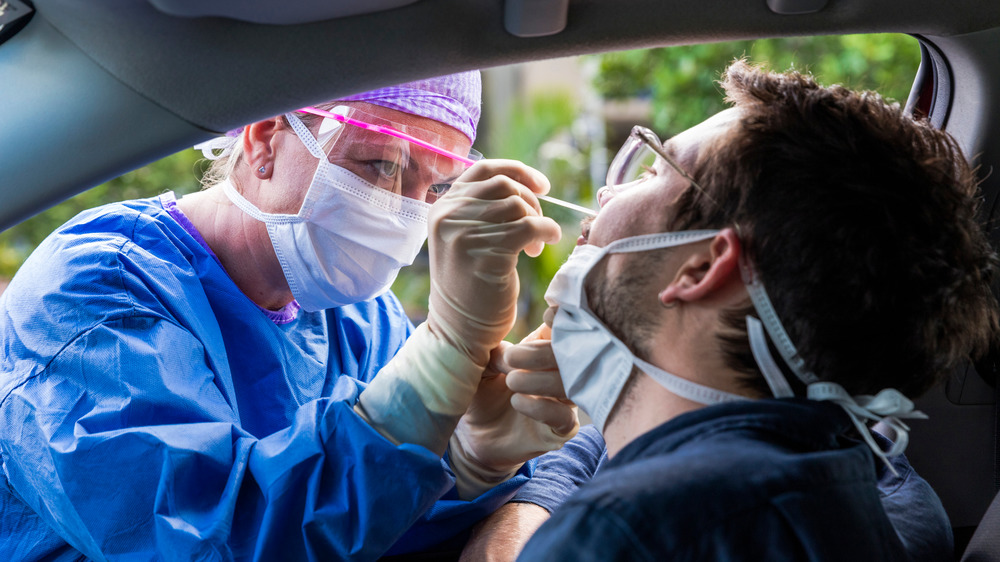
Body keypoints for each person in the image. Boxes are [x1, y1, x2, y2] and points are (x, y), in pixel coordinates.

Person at [0, 71, 578, 560]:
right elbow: (208, 540)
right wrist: (441, 358)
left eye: (435, 186)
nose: (405, 209)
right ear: (263, 138)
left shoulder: (361, 319)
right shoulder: (97, 292)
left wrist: (467, 464)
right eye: (380, 164)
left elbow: (359, 535)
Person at [494, 59, 997, 560]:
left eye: (648, 171)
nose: (606, 192)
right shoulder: (843, 482)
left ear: (702, 267)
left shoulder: (634, 529)